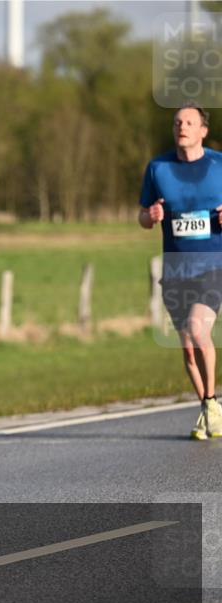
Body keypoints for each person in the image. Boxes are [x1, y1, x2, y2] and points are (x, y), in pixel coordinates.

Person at [139, 103, 222, 440]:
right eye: (177, 122)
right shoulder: (158, 168)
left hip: (214, 266)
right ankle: (208, 409)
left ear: (202, 130)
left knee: (198, 330)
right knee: (187, 347)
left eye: (189, 122)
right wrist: (152, 216)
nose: (182, 126)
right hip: (176, 270)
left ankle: (213, 402)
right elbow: (143, 218)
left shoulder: (219, 165)